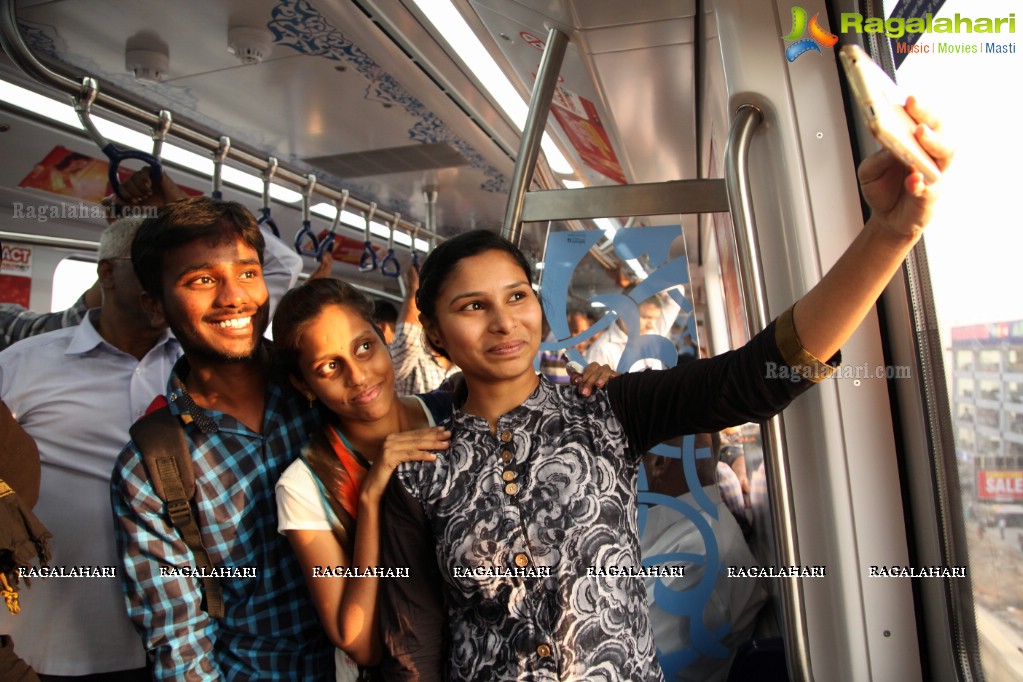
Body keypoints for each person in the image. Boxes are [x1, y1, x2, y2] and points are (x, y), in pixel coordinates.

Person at [377, 100, 950, 680]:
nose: (503, 322)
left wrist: (889, 233)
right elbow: (415, 643)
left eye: (517, 296)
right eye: (473, 307)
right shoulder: (418, 470)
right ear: (436, 333)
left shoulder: (606, 408)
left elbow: (754, 378)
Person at [270, 278, 618, 678]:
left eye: (364, 347)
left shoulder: (455, 408)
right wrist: (370, 498)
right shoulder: (304, 486)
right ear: (303, 384)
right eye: (329, 367)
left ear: (385, 338)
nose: (359, 375)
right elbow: (361, 643)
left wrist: (591, 386)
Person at [109, 197, 333, 680]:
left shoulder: (324, 391)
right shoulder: (153, 465)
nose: (235, 297)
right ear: (155, 306)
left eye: (248, 274)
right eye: (203, 280)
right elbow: (179, 635)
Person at [390, 265, 457, 394]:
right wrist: (413, 288)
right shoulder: (415, 361)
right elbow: (407, 342)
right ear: (431, 327)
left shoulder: (462, 365)